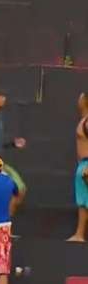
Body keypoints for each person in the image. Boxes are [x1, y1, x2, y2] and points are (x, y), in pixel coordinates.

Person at [68, 92, 88, 242]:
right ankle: (80, 234)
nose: (78, 100)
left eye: (80, 97)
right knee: (83, 202)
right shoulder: (84, 120)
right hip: (82, 165)